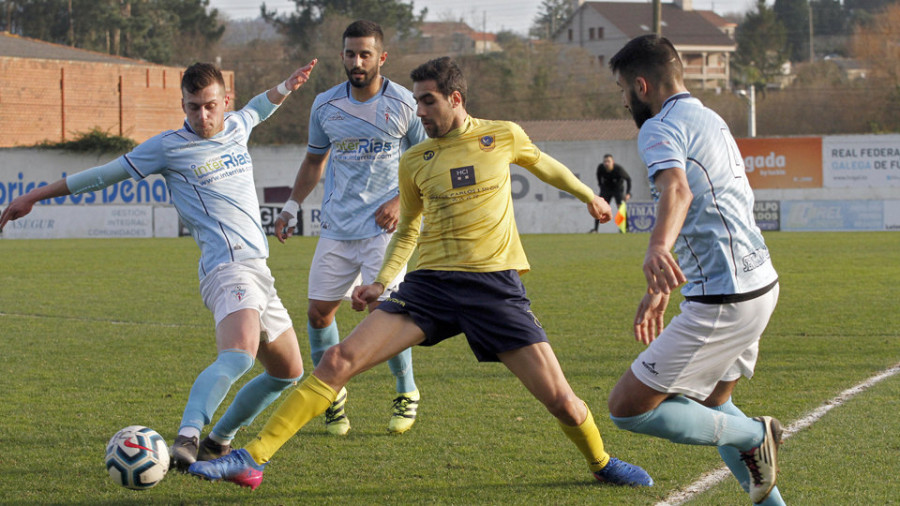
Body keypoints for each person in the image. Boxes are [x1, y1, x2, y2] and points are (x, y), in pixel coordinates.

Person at [188, 56, 653, 491]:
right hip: (428, 287)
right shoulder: (415, 160)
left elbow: (543, 164)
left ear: (456, 98)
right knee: (336, 362)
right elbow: (408, 229)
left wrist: (586, 194)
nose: (420, 112)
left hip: (493, 288)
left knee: (561, 401)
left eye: (428, 101)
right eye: (416, 102)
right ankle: (254, 458)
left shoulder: (502, 135)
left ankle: (601, 463)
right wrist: (380, 280)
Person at [0, 59, 318, 472]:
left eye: (209, 106)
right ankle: (187, 436)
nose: (201, 116)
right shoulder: (168, 147)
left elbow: (261, 105)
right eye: (192, 107)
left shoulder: (239, 125)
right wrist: (35, 196)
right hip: (227, 269)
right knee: (238, 355)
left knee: (286, 373)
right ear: (182, 105)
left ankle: (218, 442)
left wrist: (286, 86)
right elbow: (103, 175)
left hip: (259, 271)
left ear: (225, 101)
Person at [604, 35, 784, 505]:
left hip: (726, 297)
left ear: (640, 85)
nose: (624, 100)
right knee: (713, 402)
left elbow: (679, 192)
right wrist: (665, 282)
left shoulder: (658, 126)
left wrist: (656, 249)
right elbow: (707, 204)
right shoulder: (709, 118)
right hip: (759, 284)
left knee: (627, 409)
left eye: (623, 89)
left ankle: (751, 433)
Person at [273, 20, 426, 436]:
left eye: (365, 54)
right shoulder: (324, 106)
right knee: (319, 313)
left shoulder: (406, 104)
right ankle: (332, 394)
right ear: (341, 56)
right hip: (337, 228)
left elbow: (425, 160)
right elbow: (313, 162)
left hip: (384, 231)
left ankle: (406, 389)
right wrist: (289, 208)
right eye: (350, 54)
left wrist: (400, 201)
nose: (357, 62)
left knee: (387, 314)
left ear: (381, 57)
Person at [590, 154, 631, 233]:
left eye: (608, 161)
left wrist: (628, 193)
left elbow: (628, 179)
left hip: (618, 189)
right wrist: (600, 185)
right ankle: (595, 229)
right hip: (606, 188)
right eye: (605, 161)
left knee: (621, 208)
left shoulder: (618, 169)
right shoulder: (601, 168)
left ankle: (626, 228)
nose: (606, 163)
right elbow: (598, 176)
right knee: (600, 208)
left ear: (613, 162)